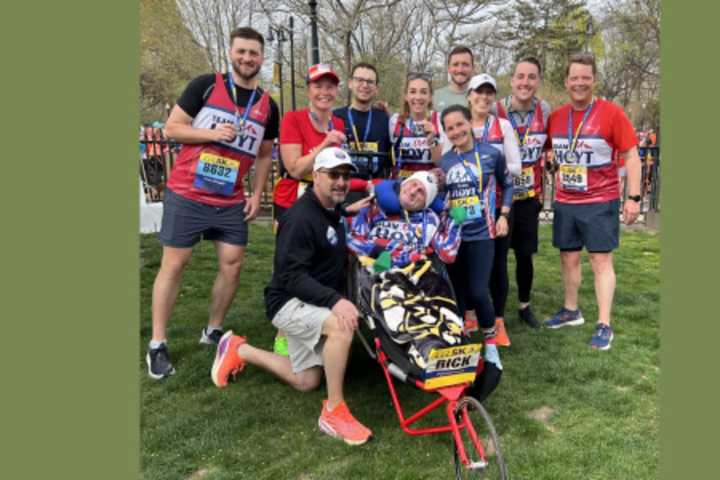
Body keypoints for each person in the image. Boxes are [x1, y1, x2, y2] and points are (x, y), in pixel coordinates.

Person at [210, 147, 373, 446]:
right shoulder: (299, 218)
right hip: (287, 301)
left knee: (306, 381)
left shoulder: (329, 207)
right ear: (316, 176)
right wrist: (336, 301)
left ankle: (239, 349)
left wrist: (349, 210)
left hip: (310, 300)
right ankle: (334, 410)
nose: (341, 182)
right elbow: (292, 277)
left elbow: (332, 223)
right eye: (333, 175)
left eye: (346, 176)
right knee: (341, 324)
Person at [146, 27, 279, 379]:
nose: (247, 58)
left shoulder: (268, 105)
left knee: (233, 265)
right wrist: (211, 133)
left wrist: (255, 191)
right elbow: (172, 129)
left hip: (231, 198)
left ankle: (213, 330)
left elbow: (265, 154)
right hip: (188, 192)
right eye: (242, 52)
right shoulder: (205, 85)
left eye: (254, 53)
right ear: (231, 53)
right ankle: (157, 344)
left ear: (262, 58)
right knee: (175, 265)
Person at [543, 53, 641, 351]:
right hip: (566, 200)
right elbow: (550, 152)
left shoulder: (611, 113)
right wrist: (551, 165)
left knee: (600, 261)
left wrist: (634, 197)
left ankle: (604, 324)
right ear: (566, 81)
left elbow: (632, 155)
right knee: (568, 258)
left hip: (601, 200)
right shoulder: (557, 116)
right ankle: (571, 311)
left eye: (586, 77)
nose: (580, 83)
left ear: (594, 80)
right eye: (575, 78)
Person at [440, 105, 513, 373]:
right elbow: (442, 198)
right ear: (446, 133)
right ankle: (461, 343)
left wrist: (504, 214)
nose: (456, 131)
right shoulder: (445, 161)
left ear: (470, 122)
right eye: (450, 128)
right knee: (457, 294)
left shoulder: (491, 154)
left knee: (478, 291)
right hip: (455, 237)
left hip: (483, 234)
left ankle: (490, 343)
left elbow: (508, 184)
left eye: (460, 124)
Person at [494, 57, 552, 330]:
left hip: (529, 196)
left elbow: (550, 146)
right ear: (512, 80)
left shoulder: (546, 110)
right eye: (520, 76)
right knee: (498, 255)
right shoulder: (496, 110)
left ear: (538, 81)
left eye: (531, 77)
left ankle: (524, 305)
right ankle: (496, 310)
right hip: (500, 196)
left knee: (525, 254)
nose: (525, 82)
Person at [465, 74, 521, 346]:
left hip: (497, 206)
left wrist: (485, 164)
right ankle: (470, 315)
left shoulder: (502, 126)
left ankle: (498, 321)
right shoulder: (459, 124)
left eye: (489, 93)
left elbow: (516, 167)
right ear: (469, 95)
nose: (484, 98)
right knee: (465, 260)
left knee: (498, 264)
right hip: (465, 206)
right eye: (479, 92)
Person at [273, 63, 347, 224]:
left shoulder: (339, 123)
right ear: (308, 91)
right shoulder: (292, 119)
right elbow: (295, 170)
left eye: (330, 87)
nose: (324, 93)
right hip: (292, 199)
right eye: (318, 87)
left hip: (326, 200)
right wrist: (325, 144)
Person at [347, 169, 461, 268]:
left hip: (411, 275)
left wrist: (455, 221)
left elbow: (448, 254)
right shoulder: (374, 207)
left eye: (421, 192)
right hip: (371, 267)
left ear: (426, 203)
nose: (412, 192)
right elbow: (352, 239)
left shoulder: (430, 219)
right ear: (403, 184)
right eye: (413, 184)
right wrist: (376, 250)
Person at [333, 62, 392, 202]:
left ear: (376, 88)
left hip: (375, 193)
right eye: (359, 80)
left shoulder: (385, 118)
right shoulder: (335, 117)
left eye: (370, 82)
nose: (365, 85)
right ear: (350, 83)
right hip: (343, 192)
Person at [389, 73, 443, 179]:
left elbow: (441, 163)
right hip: (401, 185)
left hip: (429, 186)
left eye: (423, 92)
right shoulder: (395, 121)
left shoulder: (439, 120)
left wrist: (433, 140)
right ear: (406, 96)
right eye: (412, 92)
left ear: (430, 97)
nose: (418, 97)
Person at [434, 46, 475, 114]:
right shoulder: (435, 97)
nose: (460, 70)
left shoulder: (481, 98)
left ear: (473, 68)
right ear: (449, 68)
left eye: (465, 64)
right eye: (455, 64)